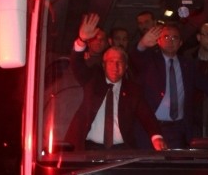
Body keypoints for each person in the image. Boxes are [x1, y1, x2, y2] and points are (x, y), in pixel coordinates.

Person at [66, 14, 166, 151]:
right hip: (89, 148)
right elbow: (77, 64)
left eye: (119, 63)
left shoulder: (133, 90)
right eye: (111, 62)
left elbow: (146, 115)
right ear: (103, 65)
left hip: (121, 150)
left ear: (125, 67)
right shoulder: (93, 80)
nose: (115, 67)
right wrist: (81, 40)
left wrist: (156, 137)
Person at [131, 21, 208, 148]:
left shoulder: (187, 65)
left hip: (177, 128)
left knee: (177, 164)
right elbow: (135, 58)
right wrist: (142, 44)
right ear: (158, 41)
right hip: (153, 127)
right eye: (166, 37)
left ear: (180, 43)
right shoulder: (150, 62)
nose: (170, 41)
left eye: (174, 38)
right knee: (152, 164)